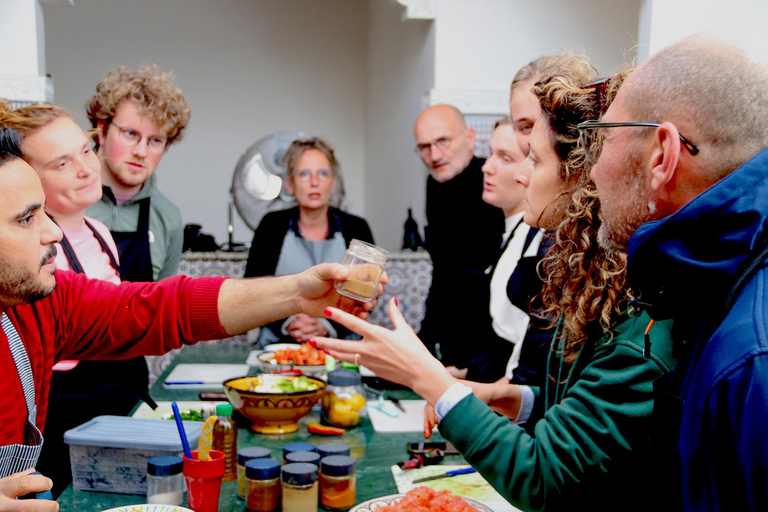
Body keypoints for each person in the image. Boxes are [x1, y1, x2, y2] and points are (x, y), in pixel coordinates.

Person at [316, 55, 677, 512]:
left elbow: (545, 474)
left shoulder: (638, 327)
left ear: (581, 179)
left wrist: (431, 380)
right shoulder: (594, 286)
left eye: (531, 157)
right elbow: (576, 408)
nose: (519, 173)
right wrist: (511, 399)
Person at [0, 127, 381, 508]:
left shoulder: (45, 305)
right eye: (26, 219)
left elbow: (169, 307)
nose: (52, 232)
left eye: (44, 213)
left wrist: (297, 294)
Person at [584, 31, 768, 510]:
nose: (592, 173)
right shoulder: (715, 284)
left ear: (662, 156)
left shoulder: (754, 356)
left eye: (602, 142)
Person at [0, 101, 128, 495]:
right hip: (67, 419)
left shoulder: (101, 233)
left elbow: (142, 309)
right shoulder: (27, 279)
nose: (86, 169)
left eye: (86, 151)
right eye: (61, 163)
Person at [244, 137, 374, 345]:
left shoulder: (357, 228)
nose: (315, 182)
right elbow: (252, 291)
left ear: (332, 183)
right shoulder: (271, 226)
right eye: (304, 174)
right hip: (277, 347)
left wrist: (327, 326)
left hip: (342, 347)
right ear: (290, 184)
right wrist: (289, 323)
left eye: (323, 173)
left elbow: (365, 297)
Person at [413, 104, 504, 375]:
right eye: (424, 147)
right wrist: (424, 341)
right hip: (451, 344)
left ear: (470, 138)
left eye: (443, 142)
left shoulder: (492, 183)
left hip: (490, 346)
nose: (434, 155)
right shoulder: (435, 184)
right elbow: (444, 271)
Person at [85, 64, 188, 282]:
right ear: (102, 130)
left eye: (155, 141)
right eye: (130, 134)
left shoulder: (168, 218)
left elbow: (164, 306)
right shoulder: (60, 199)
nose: (141, 152)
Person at [473, 117, 547, 383]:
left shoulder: (539, 241)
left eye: (505, 158)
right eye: (490, 154)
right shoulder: (512, 232)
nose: (487, 167)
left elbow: (525, 346)